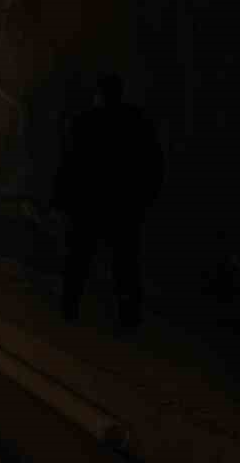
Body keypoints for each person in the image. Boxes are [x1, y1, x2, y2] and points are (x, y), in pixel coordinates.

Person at [54, 74, 162, 329]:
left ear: (98, 95)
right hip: (123, 206)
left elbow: (70, 163)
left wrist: (60, 200)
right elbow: (153, 162)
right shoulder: (135, 122)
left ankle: (69, 312)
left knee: (79, 260)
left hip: (89, 206)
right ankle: (128, 318)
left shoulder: (86, 123)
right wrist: (146, 198)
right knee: (125, 264)